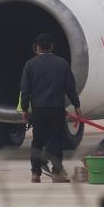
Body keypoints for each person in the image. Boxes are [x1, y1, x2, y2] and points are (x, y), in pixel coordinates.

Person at [20, 33, 81, 183]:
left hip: (38, 108)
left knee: (37, 140)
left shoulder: (30, 65)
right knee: (56, 139)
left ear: (37, 47)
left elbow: (25, 90)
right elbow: (70, 88)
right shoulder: (62, 64)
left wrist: (24, 109)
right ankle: (57, 172)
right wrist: (77, 105)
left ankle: (35, 173)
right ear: (52, 47)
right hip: (56, 107)